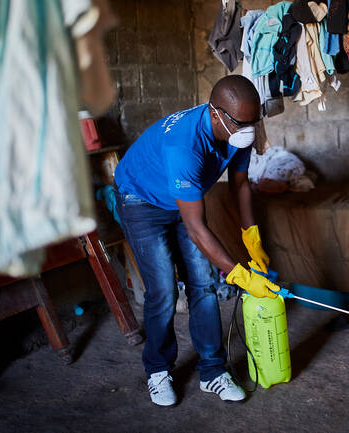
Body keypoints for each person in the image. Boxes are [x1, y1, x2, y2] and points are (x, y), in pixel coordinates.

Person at [113, 75, 281, 407]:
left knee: (202, 283)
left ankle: (212, 371)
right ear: (215, 113)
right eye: (241, 122)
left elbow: (241, 186)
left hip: (184, 197)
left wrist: (252, 239)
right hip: (142, 199)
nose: (249, 129)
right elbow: (197, 230)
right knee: (162, 289)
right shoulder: (184, 145)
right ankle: (158, 369)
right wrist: (240, 275)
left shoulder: (237, 132)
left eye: (254, 121)